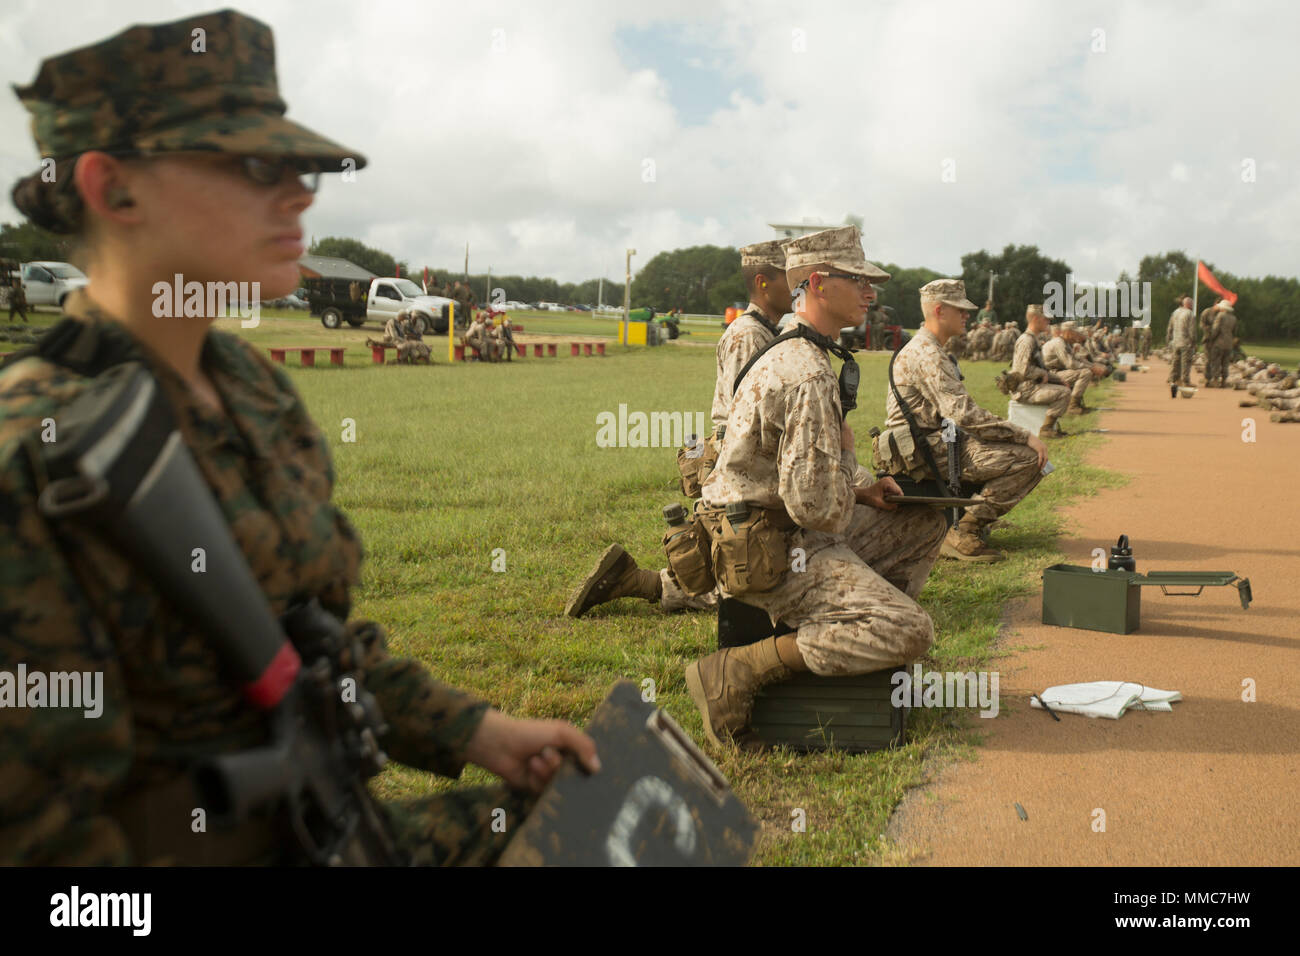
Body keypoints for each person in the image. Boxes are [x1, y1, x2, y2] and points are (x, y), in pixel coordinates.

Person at [0, 10, 598, 866]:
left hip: (326, 827)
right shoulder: (39, 453)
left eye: (301, 167)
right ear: (113, 187)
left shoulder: (250, 386)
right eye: (254, 165)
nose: (301, 194)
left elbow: (307, 645)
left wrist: (481, 732)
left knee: (610, 823)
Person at [683, 226, 947, 749]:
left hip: (768, 528)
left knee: (921, 521)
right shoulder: (807, 371)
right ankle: (736, 670)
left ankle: (838, 629)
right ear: (820, 284)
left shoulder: (791, 346)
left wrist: (864, 490)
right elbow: (816, 508)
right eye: (859, 280)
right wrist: (848, 458)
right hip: (769, 551)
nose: (871, 293)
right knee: (912, 630)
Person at [565, 238, 793, 619]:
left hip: (745, 463)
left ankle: (635, 579)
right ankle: (636, 582)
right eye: (790, 278)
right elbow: (746, 416)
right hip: (742, 464)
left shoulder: (762, 331)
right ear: (763, 281)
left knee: (754, 568)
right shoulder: (748, 335)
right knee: (753, 581)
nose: (797, 287)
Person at [878, 279, 1048, 563]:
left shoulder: (931, 348)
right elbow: (964, 414)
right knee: (1029, 457)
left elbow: (960, 415)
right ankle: (964, 528)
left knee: (1004, 449)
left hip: (934, 439)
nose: (968, 316)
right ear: (940, 311)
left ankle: (970, 516)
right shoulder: (927, 353)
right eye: (961, 310)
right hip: (923, 448)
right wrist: (1023, 435)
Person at [1009, 305, 1072, 439]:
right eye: (1046, 320)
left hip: (1031, 386)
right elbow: (1021, 369)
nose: (1048, 323)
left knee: (1063, 387)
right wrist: (1041, 374)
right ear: (1036, 319)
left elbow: (1040, 369)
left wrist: (1059, 380)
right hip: (1025, 390)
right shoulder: (1026, 340)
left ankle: (1049, 426)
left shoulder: (1033, 339)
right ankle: (1046, 429)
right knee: (1064, 393)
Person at [1042, 321, 1103, 414]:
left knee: (1083, 370)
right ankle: (1073, 406)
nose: (1077, 336)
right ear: (1068, 332)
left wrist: (1093, 366)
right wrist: (1091, 368)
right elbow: (1071, 364)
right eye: (1075, 333)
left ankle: (1076, 404)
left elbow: (1077, 358)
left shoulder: (1065, 342)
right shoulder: (1059, 343)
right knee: (1085, 372)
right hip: (1051, 374)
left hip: (1056, 372)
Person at [1204, 299, 1238, 387]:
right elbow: (1234, 332)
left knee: (1216, 362)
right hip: (1229, 344)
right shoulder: (1234, 318)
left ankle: (1215, 380)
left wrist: (1211, 339)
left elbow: (1216, 329)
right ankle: (1224, 381)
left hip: (1219, 343)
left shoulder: (1220, 316)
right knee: (1225, 363)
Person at [1166, 296, 1195, 396]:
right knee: (1185, 363)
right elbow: (1191, 330)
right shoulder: (1190, 314)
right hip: (1185, 342)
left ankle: (1173, 379)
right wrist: (1193, 341)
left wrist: (1168, 339)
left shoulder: (1175, 312)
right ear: (1189, 304)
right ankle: (1185, 381)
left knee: (1175, 361)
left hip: (1175, 341)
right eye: (1192, 304)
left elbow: (1170, 327)